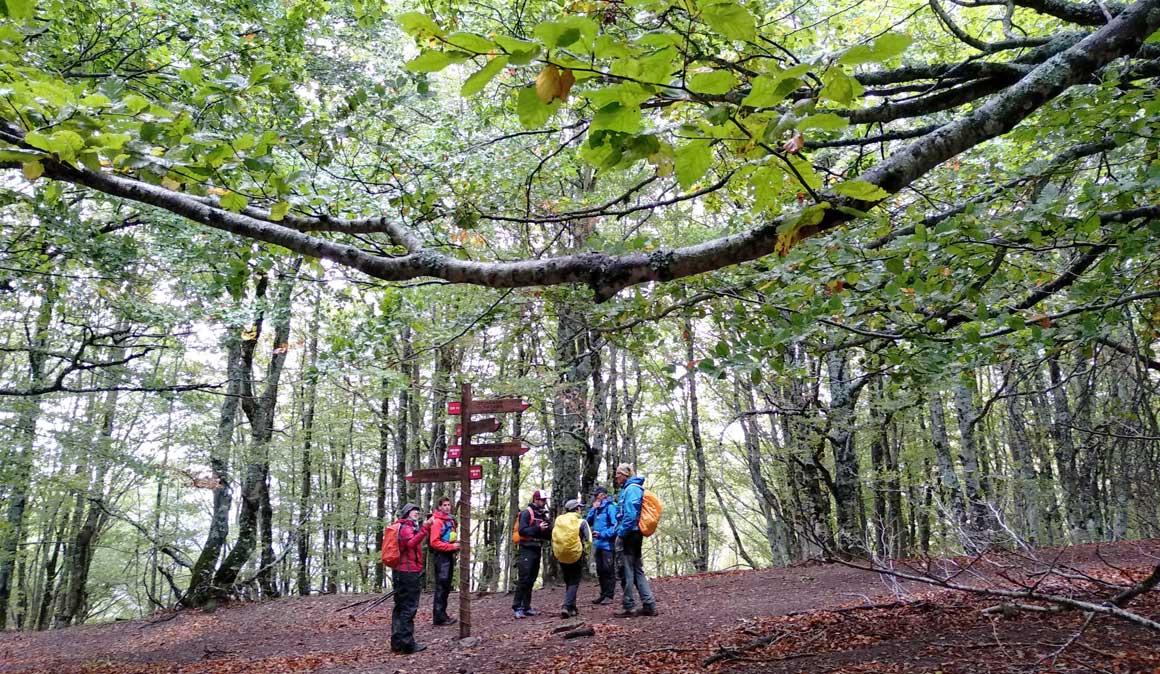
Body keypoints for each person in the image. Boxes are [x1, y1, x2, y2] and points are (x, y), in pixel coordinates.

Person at [613, 464, 658, 617]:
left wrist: (620, 534)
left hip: (629, 535)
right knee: (637, 569)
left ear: (625, 474)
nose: (616, 477)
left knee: (627, 570)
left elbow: (631, 515)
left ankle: (629, 606)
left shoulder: (631, 489)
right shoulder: (633, 489)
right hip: (635, 534)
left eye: (618, 474)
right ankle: (649, 604)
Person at [391, 503, 434, 653]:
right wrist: (425, 528)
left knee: (400, 607)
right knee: (408, 608)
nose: (416, 512)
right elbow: (411, 543)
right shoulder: (406, 528)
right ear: (406, 513)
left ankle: (397, 643)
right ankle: (407, 644)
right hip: (407, 573)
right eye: (413, 510)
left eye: (417, 511)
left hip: (401, 572)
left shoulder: (404, 527)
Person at [512, 489, 551, 618]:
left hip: (536, 547)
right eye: (542, 500)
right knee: (524, 578)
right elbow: (523, 531)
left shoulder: (541, 514)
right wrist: (538, 528)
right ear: (536, 500)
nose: (544, 502)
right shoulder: (526, 513)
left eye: (545, 500)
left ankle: (526, 606)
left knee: (532, 579)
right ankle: (517, 607)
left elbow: (546, 534)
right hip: (526, 548)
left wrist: (547, 529)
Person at [555, 498, 591, 618]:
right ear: (577, 509)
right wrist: (585, 551)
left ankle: (572, 607)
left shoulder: (559, 520)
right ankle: (566, 606)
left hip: (561, 555)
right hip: (575, 554)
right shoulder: (581, 522)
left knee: (568, 582)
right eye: (579, 507)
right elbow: (589, 540)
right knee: (574, 581)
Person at [428, 496, 460, 626]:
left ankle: (442, 614)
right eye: (444, 505)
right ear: (439, 507)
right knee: (441, 585)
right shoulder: (437, 522)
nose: (447, 507)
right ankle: (439, 616)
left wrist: (455, 545)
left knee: (446, 586)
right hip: (441, 556)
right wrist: (451, 547)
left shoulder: (450, 520)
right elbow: (434, 542)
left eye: (448, 505)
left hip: (448, 555)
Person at [585, 485, 618, 604]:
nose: (595, 498)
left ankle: (609, 595)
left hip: (608, 545)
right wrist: (593, 509)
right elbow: (587, 522)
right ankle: (603, 594)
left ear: (603, 495)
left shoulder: (610, 508)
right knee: (600, 570)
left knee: (608, 570)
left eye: (597, 495)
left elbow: (615, 526)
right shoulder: (596, 508)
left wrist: (602, 534)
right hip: (597, 544)